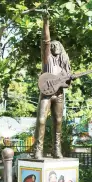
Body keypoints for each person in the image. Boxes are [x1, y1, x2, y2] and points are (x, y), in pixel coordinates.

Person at [33, 13, 73, 159]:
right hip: (46, 94)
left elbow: (67, 84)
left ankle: (57, 149)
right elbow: (46, 40)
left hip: (59, 95)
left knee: (58, 122)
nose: (54, 46)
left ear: (61, 49)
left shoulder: (64, 66)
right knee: (41, 120)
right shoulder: (47, 59)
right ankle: (38, 149)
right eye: (53, 45)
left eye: (57, 45)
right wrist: (46, 22)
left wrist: (68, 79)